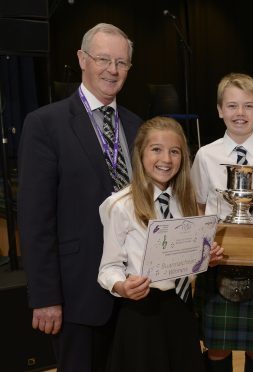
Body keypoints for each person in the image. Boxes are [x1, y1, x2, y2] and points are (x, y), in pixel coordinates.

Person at [17, 23, 141, 371]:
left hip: (134, 291)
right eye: (103, 59)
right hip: (76, 293)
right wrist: (44, 297)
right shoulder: (45, 124)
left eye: (121, 62)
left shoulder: (138, 127)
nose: (112, 70)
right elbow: (35, 219)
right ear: (82, 59)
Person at [98, 117, 223, 371]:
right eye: (156, 149)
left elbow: (185, 262)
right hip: (142, 315)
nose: (166, 159)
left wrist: (204, 258)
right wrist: (122, 286)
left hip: (181, 309)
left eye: (174, 151)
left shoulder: (186, 202)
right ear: (140, 154)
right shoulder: (120, 205)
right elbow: (108, 267)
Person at [190, 73, 253, 372]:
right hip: (218, 246)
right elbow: (197, 207)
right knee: (217, 347)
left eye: (248, 106)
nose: (240, 113)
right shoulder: (206, 155)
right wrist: (206, 247)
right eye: (232, 106)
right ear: (220, 110)